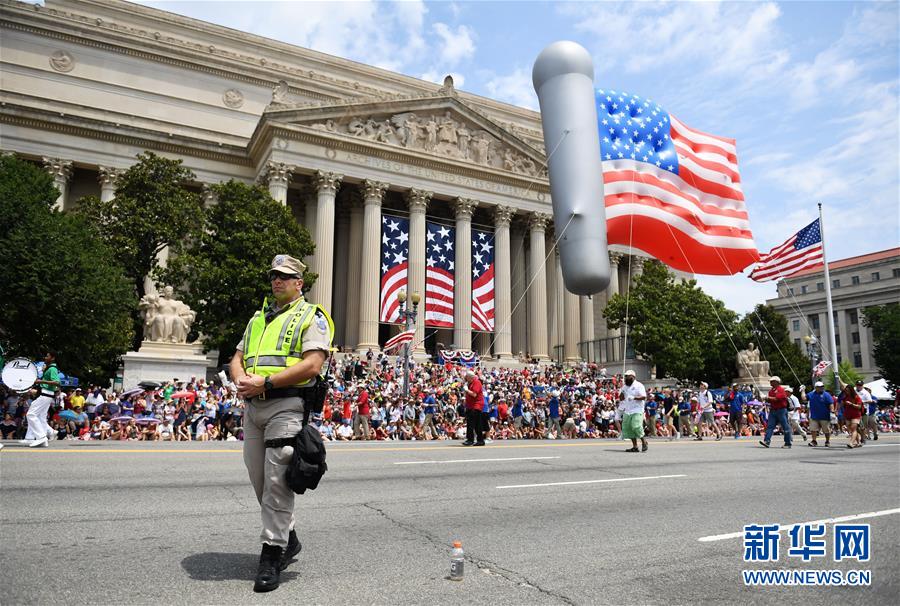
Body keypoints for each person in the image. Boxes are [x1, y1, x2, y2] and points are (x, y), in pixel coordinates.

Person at [229, 254, 334, 592]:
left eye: (285, 276)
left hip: (287, 404)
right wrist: (241, 380)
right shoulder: (257, 318)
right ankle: (289, 537)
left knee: (277, 481)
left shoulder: (310, 316)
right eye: (274, 275)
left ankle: (271, 554)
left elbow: (313, 365)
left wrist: (267, 382)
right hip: (254, 405)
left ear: (299, 283)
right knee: (258, 477)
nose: (277, 280)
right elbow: (237, 357)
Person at [24, 352, 60, 447]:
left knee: (31, 414)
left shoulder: (52, 369)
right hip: (45, 394)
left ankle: (41, 437)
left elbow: (57, 382)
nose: (45, 357)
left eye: (47, 356)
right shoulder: (48, 368)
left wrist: (41, 381)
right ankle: (43, 435)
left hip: (45, 394)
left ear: (52, 358)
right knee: (39, 416)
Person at [618, 369, 648, 452]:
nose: (626, 377)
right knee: (628, 428)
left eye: (628, 376)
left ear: (633, 377)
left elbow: (644, 397)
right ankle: (635, 446)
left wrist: (634, 397)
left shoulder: (639, 385)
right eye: (625, 376)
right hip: (628, 410)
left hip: (637, 409)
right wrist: (622, 392)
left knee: (636, 426)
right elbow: (621, 398)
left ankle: (644, 442)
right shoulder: (625, 386)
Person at [760, 376, 792, 449]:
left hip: (781, 410)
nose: (770, 382)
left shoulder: (780, 390)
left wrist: (766, 397)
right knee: (769, 426)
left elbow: (777, 399)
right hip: (773, 410)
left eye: (772, 381)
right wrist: (764, 398)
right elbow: (770, 400)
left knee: (785, 427)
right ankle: (767, 441)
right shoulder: (771, 391)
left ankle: (787, 443)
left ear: (777, 382)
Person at [803, 381, 834, 447]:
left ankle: (827, 441)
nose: (822, 388)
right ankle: (814, 441)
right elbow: (804, 399)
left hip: (824, 415)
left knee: (826, 430)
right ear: (816, 388)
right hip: (814, 415)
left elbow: (831, 403)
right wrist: (802, 390)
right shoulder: (811, 394)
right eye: (820, 387)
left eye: (822, 386)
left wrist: (832, 411)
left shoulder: (826, 394)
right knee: (813, 429)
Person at [462, 371, 485, 446]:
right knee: (470, 423)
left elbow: (474, 394)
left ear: (470, 377)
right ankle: (472, 439)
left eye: (467, 377)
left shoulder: (477, 382)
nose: (466, 378)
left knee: (475, 423)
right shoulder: (470, 383)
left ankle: (476, 440)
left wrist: (466, 390)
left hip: (476, 405)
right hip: (470, 405)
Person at [839, 384, 864, 449]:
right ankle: (858, 442)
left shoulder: (856, 397)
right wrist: (842, 404)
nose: (846, 392)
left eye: (848, 391)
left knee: (853, 428)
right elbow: (843, 406)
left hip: (856, 415)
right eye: (846, 391)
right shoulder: (845, 397)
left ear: (851, 390)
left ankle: (851, 443)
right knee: (850, 429)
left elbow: (859, 406)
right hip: (847, 415)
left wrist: (851, 404)